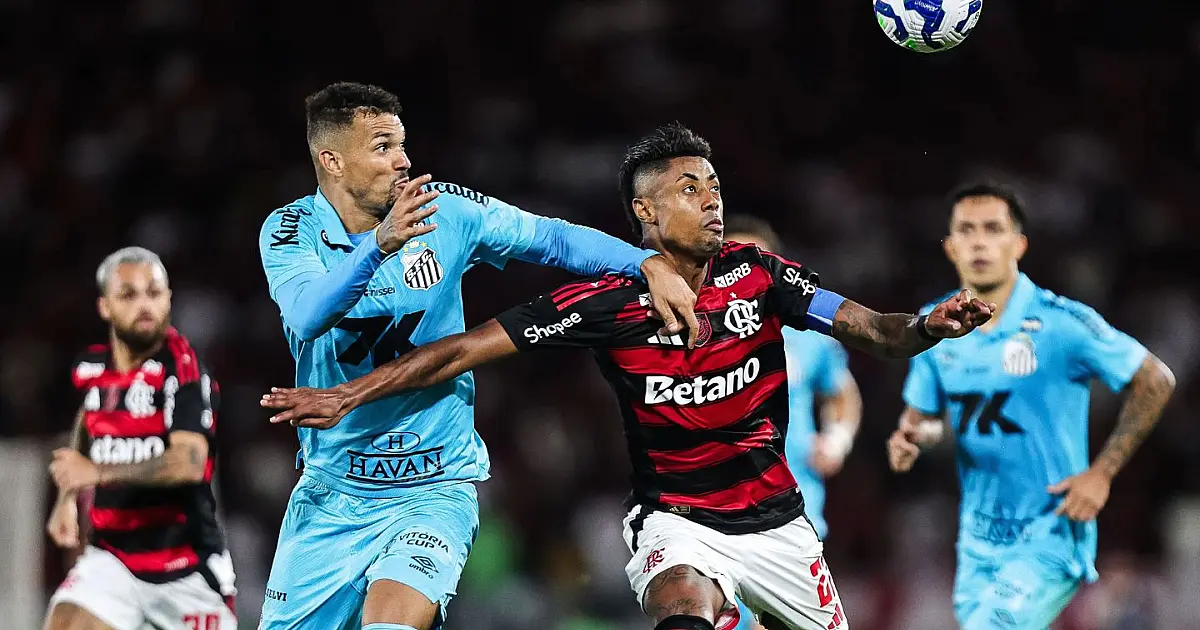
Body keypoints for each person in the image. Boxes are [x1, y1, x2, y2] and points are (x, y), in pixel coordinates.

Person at [262, 123, 994, 630]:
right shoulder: (608, 304)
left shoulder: (761, 277)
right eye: (687, 189)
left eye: (713, 186)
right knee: (682, 601)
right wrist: (346, 394)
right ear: (645, 212)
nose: (711, 200)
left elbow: (876, 331)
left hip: (780, 525)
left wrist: (929, 324)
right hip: (675, 520)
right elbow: (459, 351)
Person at [256, 82, 699, 630]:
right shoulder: (290, 229)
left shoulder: (447, 212)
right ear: (332, 161)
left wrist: (645, 264)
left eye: (402, 144)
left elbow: (553, 239)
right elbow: (306, 314)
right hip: (332, 492)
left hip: (433, 487)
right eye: (382, 147)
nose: (404, 161)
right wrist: (378, 247)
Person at [886, 183, 1176, 629]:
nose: (979, 240)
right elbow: (924, 421)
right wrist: (910, 438)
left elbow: (1155, 378)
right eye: (966, 229)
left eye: (993, 228)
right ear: (950, 246)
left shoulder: (1062, 322)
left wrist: (1102, 472)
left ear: (1018, 243)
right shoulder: (934, 325)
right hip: (978, 542)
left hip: (1050, 536)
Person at [44, 247, 236, 630]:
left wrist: (95, 472)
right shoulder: (91, 367)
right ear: (104, 306)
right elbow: (88, 418)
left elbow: (189, 463)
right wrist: (66, 497)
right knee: (64, 622)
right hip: (113, 560)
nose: (144, 305)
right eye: (129, 295)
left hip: (185, 567)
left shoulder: (184, 370)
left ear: (169, 298)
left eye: (154, 292)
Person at [722, 216, 862, 630]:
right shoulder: (689, 332)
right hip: (713, 503)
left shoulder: (806, 335)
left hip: (794, 498)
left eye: (751, 263)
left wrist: (837, 439)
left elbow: (841, 393)